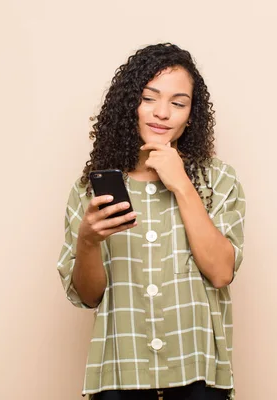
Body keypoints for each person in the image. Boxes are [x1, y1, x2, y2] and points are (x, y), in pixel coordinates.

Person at [57, 43, 246, 400]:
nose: (162, 113)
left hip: (198, 370)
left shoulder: (218, 180)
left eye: (178, 103)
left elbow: (222, 272)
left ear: (190, 116)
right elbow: (88, 295)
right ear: (129, 105)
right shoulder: (90, 191)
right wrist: (87, 241)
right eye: (149, 98)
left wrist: (181, 184)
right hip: (120, 370)